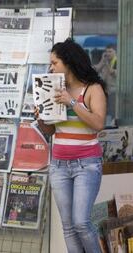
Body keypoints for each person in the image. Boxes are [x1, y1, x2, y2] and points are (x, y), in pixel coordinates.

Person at [36, 38, 106, 253]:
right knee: (68, 226)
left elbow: (98, 124)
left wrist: (72, 103)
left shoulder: (93, 89)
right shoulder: (55, 90)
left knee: (81, 222)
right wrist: (41, 118)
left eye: (54, 63)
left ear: (68, 62)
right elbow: (51, 131)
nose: (50, 67)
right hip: (59, 165)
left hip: (87, 164)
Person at [94, 44, 117, 126]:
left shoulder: (116, 61)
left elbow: (112, 72)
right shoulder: (106, 61)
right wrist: (102, 61)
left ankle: (111, 125)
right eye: (106, 51)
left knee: (112, 110)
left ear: (115, 52)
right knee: (105, 109)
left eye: (110, 51)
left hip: (114, 91)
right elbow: (96, 70)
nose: (108, 53)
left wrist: (106, 63)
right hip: (106, 91)